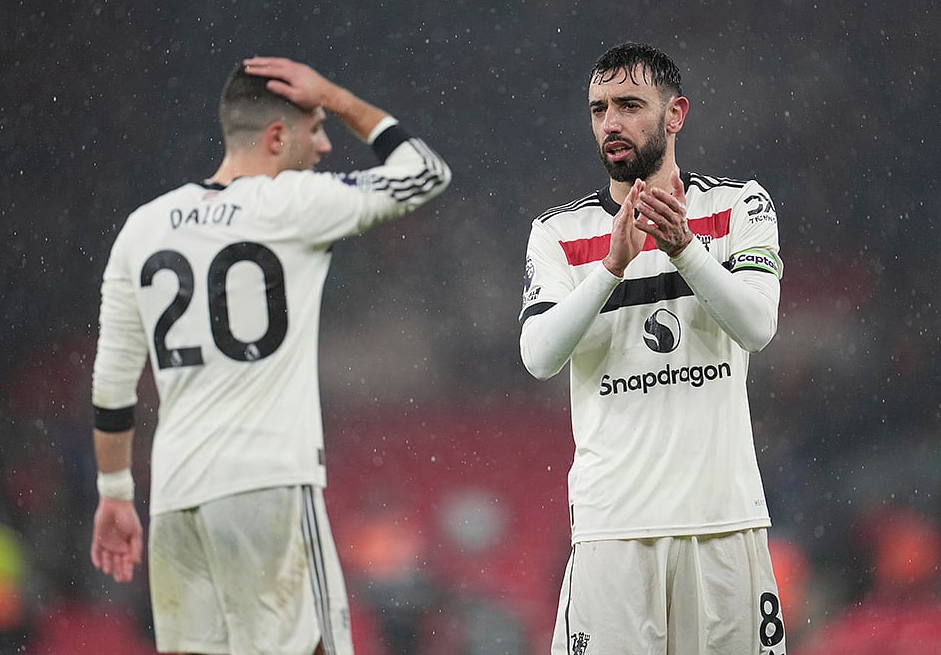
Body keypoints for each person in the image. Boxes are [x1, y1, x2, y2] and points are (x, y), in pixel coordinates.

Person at [88, 56, 451, 655]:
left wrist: (116, 492)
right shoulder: (295, 204)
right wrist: (337, 95)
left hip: (177, 499)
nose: (327, 143)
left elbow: (112, 384)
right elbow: (425, 173)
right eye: (315, 129)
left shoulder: (142, 229)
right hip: (270, 484)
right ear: (277, 137)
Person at [518, 42, 785, 654]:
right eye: (598, 109)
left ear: (675, 114)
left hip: (723, 522)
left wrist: (684, 248)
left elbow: (757, 326)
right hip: (614, 530)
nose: (610, 123)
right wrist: (610, 268)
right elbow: (538, 356)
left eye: (629, 105)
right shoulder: (560, 233)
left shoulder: (737, 205)